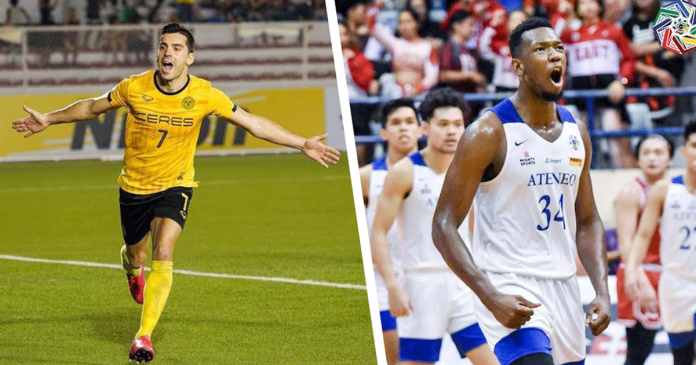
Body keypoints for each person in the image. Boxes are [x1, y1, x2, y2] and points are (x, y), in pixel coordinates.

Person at [10, 23, 340, 363]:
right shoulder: (134, 87)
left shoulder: (206, 94)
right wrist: (48, 119)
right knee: (136, 255)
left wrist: (301, 142)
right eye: (164, 46)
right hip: (134, 187)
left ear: (190, 58)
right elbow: (93, 107)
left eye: (177, 48)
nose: (168, 53)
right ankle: (131, 269)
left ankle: (143, 336)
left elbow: (252, 124)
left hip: (177, 183)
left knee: (164, 249)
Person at [432, 17, 611, 365]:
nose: (555, 55)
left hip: (564, 287)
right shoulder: (487, 133)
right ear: (519, 66)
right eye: (541, 49)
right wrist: (489, 295)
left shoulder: (577, 132)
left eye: (558, 47)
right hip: (509, 284)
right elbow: (443, 224)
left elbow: (588, 221)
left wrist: (601, 291)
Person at [370, 88, 499, 365]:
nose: (452, 132)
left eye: (457, 124)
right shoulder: (404, 171)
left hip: (464, 283)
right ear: (425, 127)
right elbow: (378, 231)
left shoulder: (472, 169)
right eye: (443, 125)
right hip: (421, 284)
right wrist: (393, 286)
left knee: (493, 360)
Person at [625, 122, 696, 365]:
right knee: (682, 358)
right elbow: (642, 236)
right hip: (675, 284)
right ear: (684, 150)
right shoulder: (664, 190)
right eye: (694, 146)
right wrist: (633, 269)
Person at [360, 98, 422, 365]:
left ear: (421, 129)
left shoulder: (441, 173)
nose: (403, 128)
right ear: (384, 132)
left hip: (427, 278)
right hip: (384, 284)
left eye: (410, 122)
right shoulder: (366, 177)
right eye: (395, 123)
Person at [614, 135, 673, 365]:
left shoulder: (676, 190)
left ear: (670, 158)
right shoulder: (632, 192)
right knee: (639, 351)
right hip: (641, 272)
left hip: (670, 274)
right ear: (637, 160)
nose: (652, 158)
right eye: (646, 153)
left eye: (658, 152)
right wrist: (639, 278)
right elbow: (626, 242)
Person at [561, 0, 636, 168]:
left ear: (599, 6)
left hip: (609, 88)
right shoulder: (570, 35)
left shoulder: (613, 31)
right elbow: (557, 54)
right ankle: (581, 184)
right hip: (580, 90)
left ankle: (622, 180)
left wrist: (621, 81)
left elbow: (629, 59)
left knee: (614, 135)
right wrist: (564, 17)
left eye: (592, 2)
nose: (587, 7)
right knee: (579, 140)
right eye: (583, 3)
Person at [369, 6, 439, 98]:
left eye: (408, 22)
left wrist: (416, 90)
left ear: (417, 23)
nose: (405, 26)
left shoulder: (428, 47)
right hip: (395, 93)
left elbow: (432, 77)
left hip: (418, 94)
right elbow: (371, 27)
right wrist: (377, 5)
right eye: (401, 22)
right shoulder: (395, 43)